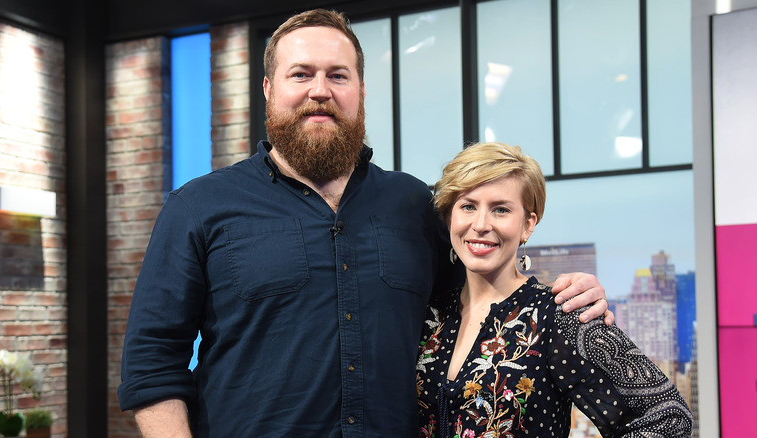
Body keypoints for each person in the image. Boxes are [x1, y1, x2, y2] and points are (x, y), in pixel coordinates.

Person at [118, 9, 612, 437]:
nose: (320, 90)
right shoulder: (198, 207)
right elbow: (151, 366)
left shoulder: (414, 203)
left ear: (360, 90)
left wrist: (562, 295)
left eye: (338, 75)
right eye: (301, 74)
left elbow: (473, 299)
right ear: (269, 89)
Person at [416, 142, 693, 437]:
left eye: (500, 210)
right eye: (468, 206)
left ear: (527, 224)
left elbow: (670, 418)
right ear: (450, 218)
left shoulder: (558, 313)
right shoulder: (428, 313)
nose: (481, 224)